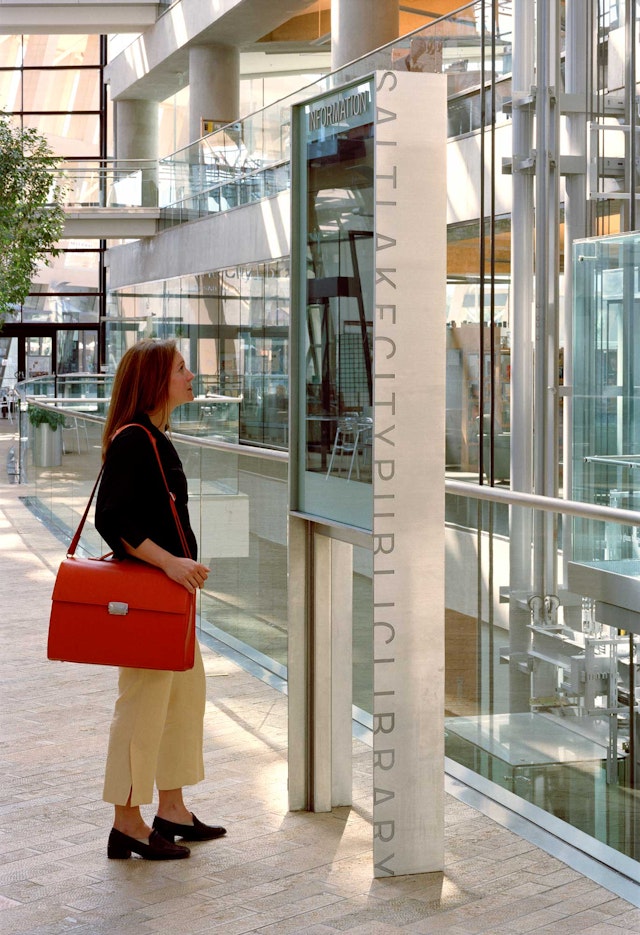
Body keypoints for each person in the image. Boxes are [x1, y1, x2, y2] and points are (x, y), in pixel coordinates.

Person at [95, 338, 226, 860]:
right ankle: (126, 820)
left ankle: (170, 808)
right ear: (155, 380)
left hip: (172, 598)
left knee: (181, 700)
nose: (191, 375)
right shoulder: (134, 439)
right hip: (153, 596)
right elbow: (112, 520)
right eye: (181, 368)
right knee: (143, 705)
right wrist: (171, 562)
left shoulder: (152, 435)